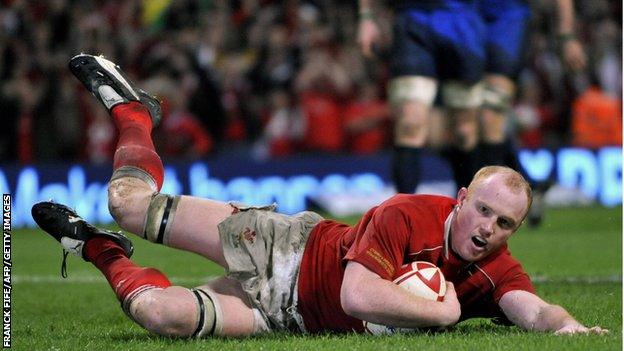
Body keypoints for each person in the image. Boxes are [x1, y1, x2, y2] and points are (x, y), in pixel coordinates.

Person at [32, 54, 607, 337]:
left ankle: (99, 251)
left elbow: (530, 308)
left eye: (505, 222)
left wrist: (565, 327)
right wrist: (443, 311)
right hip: (285, 248)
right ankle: (135, 115)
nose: (489, 228)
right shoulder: (408, 214)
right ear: (461, 197)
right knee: (129, 204)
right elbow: (358, 295)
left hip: (288, 319)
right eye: (483, 209)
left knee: (160, 315)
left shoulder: (494, 269)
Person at [357, 0, 487, 194]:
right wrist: (367, 17)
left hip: (463, 21)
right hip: (413, 20)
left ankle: (465, 212)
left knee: (465, 131)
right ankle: (402, 216)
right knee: (409, 123)